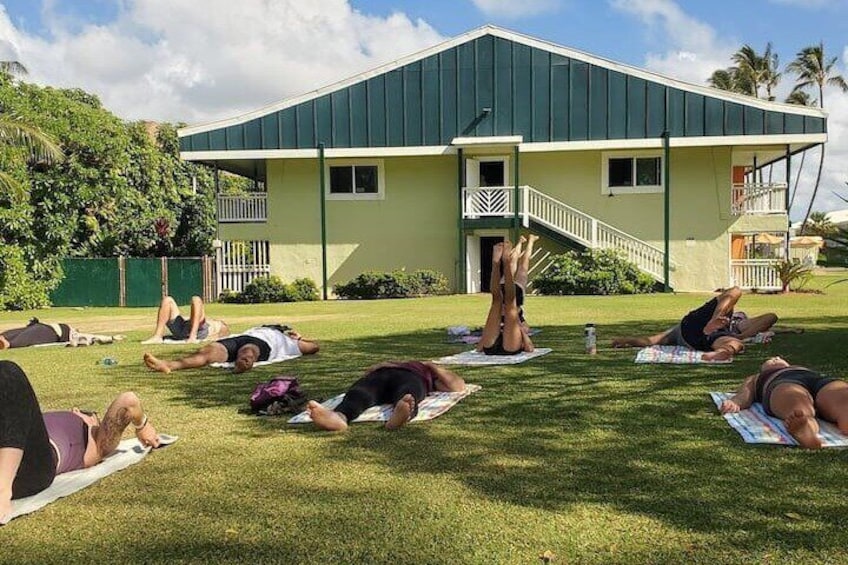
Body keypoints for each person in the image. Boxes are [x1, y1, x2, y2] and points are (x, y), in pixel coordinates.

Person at [0, 360, 160, 523]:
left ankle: (2, 491)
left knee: (7, 371)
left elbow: (129, 401)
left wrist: (142, 425)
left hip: (33, 465)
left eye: (94, 415)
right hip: (12, 446)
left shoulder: (94, 444)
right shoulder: (34, 418)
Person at [610, 286, 778, 361]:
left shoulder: (736, 326)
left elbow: (771, 317)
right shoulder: (736, 322)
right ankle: (724, 346)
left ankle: (626, 340)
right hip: (708, 331)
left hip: (688, 331)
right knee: (734, 343)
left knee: (654, 340)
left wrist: (739, 335)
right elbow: (769, 319)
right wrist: (740, 337)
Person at [720, 356, 848, 449]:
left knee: (841, 397)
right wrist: (736, 402)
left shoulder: (800, 368)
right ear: (763, 368)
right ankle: (806, 428)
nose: (775, 358)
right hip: (782, 383)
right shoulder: (757, 377)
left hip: (819, 382)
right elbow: (745, 393)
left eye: (778, 358)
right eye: (770, 360)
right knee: (797, 405)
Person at [306, 361, 466, 431]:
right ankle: (339, 417)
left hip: (411, 378)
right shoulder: (390, 364)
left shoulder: (429, 374)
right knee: (359, 393)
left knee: (408, 394)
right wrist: (381, 366)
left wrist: (431, 366)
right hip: (380, 375)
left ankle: (399, 415)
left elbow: (458, 386)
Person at [143, 324, 319, 374]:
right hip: (239, 338)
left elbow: (314, 347)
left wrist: (299, 338)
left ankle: (243, 363)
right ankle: (170, 365)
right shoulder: (263, 328)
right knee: (208, 352)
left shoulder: (288, 340)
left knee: (249, 351)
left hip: (264, 345)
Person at [477, 241, 535, 356]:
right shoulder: (516, 317)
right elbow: (530, 348)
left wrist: (519, 327)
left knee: (497, 301)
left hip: (496, 345)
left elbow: (479, 348)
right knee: (508, 302)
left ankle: (497, 264)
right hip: (507, 345)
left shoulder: (518, 320)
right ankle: (504, 262)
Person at [141, 295, 229, 344]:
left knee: (196, 299)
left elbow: (225, 332)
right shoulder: (212, 323)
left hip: (198, 332)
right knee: (167, 300)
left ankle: (192, 336)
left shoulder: (219, 325)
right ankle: (157, 336)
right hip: (183, 329)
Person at [0, 318, 123, 349]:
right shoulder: (74, 333)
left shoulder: (74, 335)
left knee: (26, 338)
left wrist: (111, 337)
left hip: (51, 333)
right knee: (19, 332)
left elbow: (94, 337)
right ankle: (4, 340)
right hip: (41, 326)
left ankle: (8, 343)